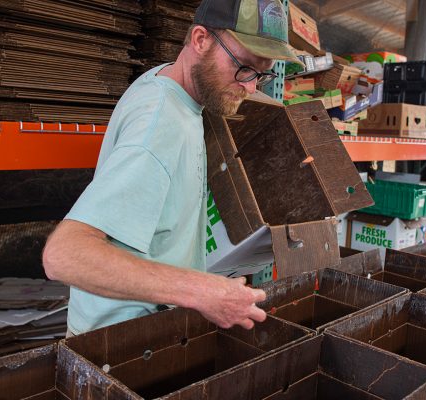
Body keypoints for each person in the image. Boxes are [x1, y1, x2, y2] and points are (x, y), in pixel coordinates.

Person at [42, 0, 303, 335]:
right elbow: (64, 254)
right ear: (199, 40)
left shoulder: (173, 85)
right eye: (244, 67)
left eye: (263, 74)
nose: (251, 87)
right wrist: (202, 291)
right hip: (122, 348)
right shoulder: (159, 126)